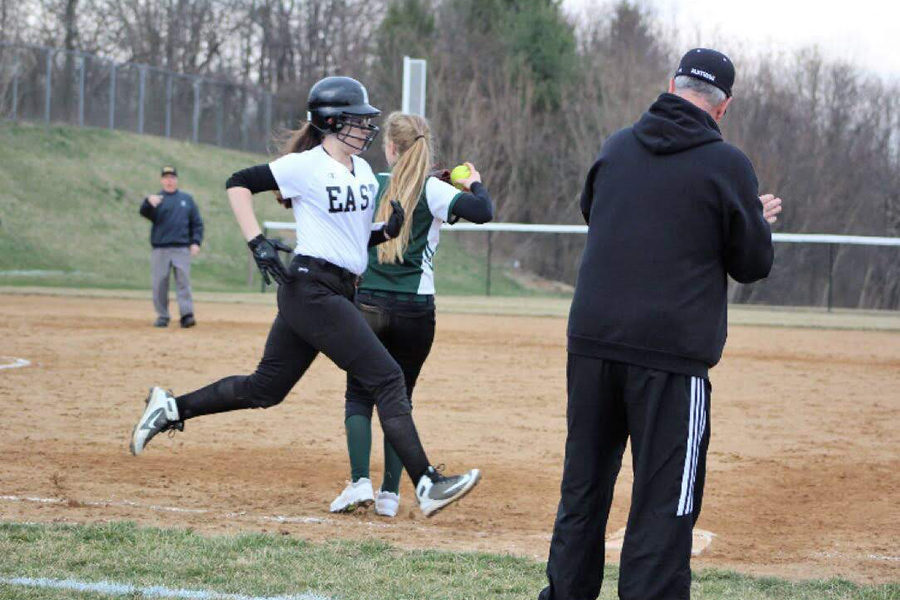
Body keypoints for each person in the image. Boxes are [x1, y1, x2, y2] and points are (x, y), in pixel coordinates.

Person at [128, 76, 481, 518]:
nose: (366, 128)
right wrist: (256, 240)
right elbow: (238, 182)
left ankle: (171, 407)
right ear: (331, 122)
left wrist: (383, 233)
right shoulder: (306, 165)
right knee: (388, 378)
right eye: (356, 120)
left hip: (335, 288)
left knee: (265, 389)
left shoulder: (365, 171)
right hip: (311, 289)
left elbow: (350, 238)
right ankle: (426, 483)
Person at [538, 48, 783, 600]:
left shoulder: (617, 145)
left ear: (670, 85)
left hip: (593, 346)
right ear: (723, 109)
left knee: (584, 489)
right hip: (670, 357)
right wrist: (755, 222)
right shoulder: (727, 165)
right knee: (664, 500)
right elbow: (752, 264)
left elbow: (593, 209)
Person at [328, 112, 494, 517]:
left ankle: (358, 483)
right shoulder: (433, 191)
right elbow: (483, 210)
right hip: (417, 310)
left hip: (367, 303)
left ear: (390, 148)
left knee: (359, 395)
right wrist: (473, 182)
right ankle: (389, 496)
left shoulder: (367, 183)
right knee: (398, 399)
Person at [139, 166, 203, 328]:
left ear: (176, 179)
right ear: (162, 180)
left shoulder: (186, 199)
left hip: (181, 248)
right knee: (160, 282)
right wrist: (147, 201)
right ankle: (162, 315)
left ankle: (186, 315)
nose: (169, 180)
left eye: (172, 177)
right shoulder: (157, 199)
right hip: (160, 248)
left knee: (183, 281)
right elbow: (144, 212)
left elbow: (196, 223)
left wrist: (195, 242)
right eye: (166, 177)